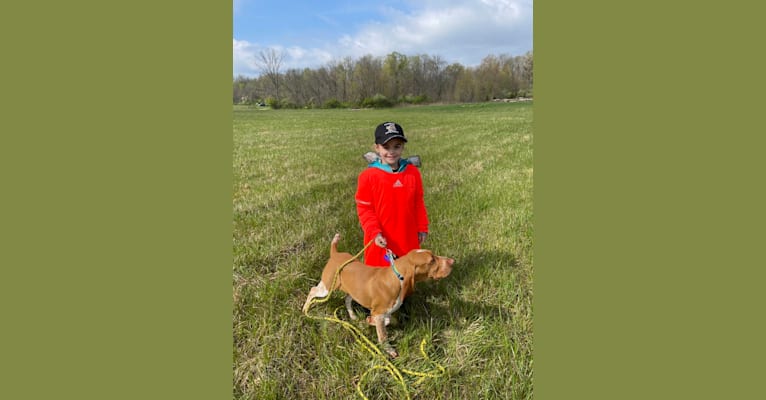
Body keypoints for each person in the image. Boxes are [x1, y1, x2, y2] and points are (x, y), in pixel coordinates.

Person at [355, 122, 429, 267]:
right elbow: (365, 209)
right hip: (382, 239)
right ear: (377, 148)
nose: (391, 152)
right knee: (380, 280)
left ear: (403, 147)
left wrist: (422, 227)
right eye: (386, 147)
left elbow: (418, 202)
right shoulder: (368, 176)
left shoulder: (412, 173)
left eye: (397, 146)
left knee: (407, 273)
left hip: (407, 236)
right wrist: (374, 232)